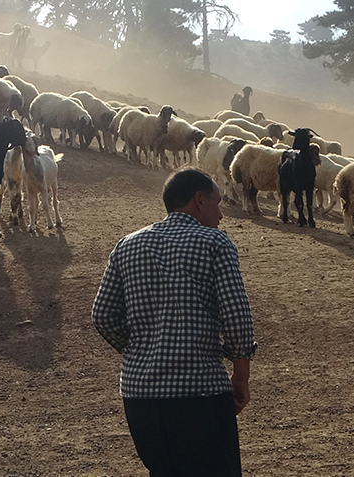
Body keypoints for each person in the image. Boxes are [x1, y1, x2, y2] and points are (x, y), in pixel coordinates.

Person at [92, 168, 257, 476]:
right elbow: (237, 318)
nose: (221, 214)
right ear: (199, 200)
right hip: (200, 393)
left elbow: (102, 314)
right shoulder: (215, 243)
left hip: (139, 396)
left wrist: (140, 347)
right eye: (217, 202)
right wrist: (241, 377)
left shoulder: (127, 245)